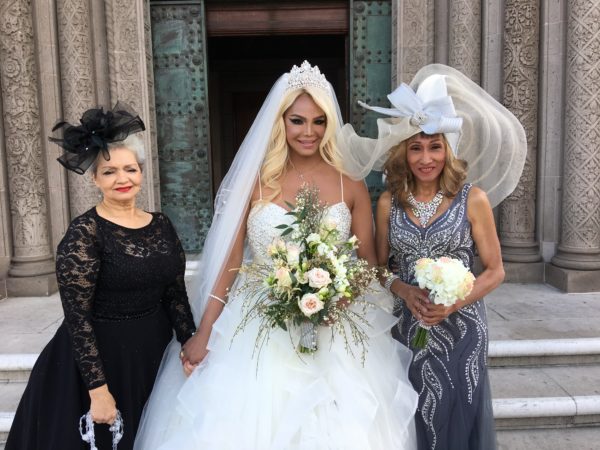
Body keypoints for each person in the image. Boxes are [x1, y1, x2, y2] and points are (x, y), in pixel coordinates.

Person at [134, 61, 418, 449]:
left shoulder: (349, 182)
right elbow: (231, 265)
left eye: (318, 121)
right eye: (297, 120)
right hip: (259, 324)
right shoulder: (255, 181)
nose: (309, 131)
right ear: (280, 121)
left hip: (334, 328)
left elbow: (367, 263)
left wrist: (337, 299)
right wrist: (204, 333)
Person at [337, 64, 527, 450]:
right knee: (416, 414)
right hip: (409, 327)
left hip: (464, 328)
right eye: (416, 147)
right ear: (403, 153)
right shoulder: (389, 202)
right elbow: (379, 269)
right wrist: (404, 290)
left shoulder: (473, 199)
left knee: (460, 414)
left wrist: (453, 303)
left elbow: (495, 271)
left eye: (435, 146)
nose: (426, 158)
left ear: (448, 149)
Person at [5, 103, 196, 450]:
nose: (122, 179)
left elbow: (175, 294)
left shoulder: (161, 224)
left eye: (130, 169)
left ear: (141, 173)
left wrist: (189, 343)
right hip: (101, 361)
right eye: (109, 172)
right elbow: (77, 319)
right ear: (95, 179)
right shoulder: (84, 234)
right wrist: (98, 390)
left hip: (154, 353)